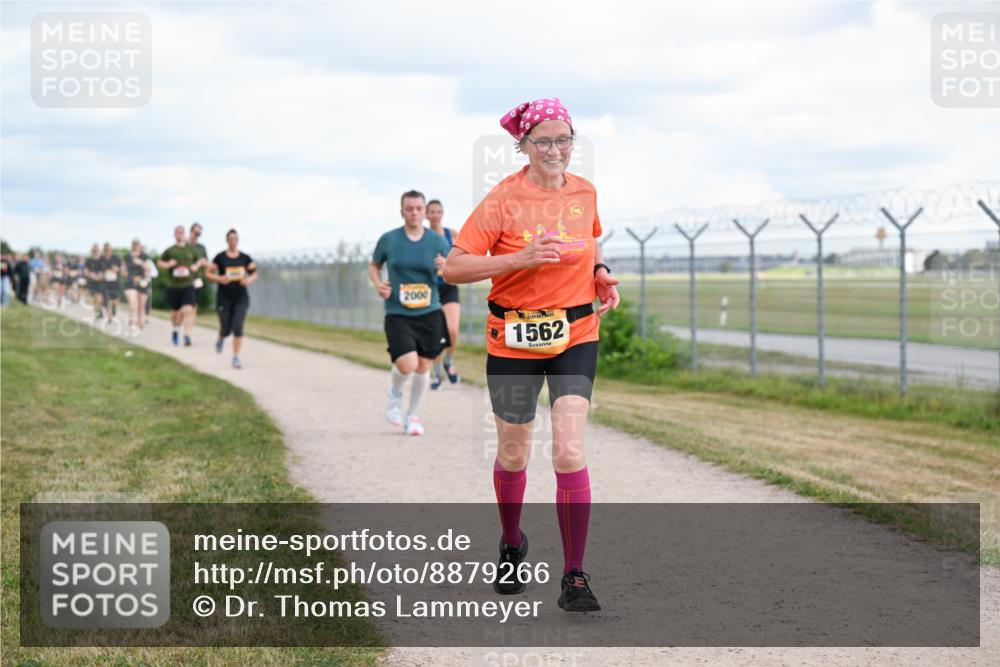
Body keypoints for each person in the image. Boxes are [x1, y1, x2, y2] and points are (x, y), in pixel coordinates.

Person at [441, 97, 620, 613]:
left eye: (564, 138)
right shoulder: (503, 199)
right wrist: (517, 258)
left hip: (576, 332)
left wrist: (601, 274)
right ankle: (513, 542)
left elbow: (591, 244)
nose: (555, 149)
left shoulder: (585, 191)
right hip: (513, 338)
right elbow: (453, 269)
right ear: (523, 145)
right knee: (515, 452)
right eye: (543, 140)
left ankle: (574, 575)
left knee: (567, 450)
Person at [369, 190, 451, 436]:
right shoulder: (389, 239)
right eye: (409, 208)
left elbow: (449, 273)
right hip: (398, 312)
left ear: (425, 211)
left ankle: (412, 416)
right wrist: (378, 284)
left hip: (430, 311)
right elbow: (375, 265)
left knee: (423, 366)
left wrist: (445, 268)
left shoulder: (437, 242)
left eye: (418, 208)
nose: (414, 212)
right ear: (402, 211)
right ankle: (394, 393)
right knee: (407, 365)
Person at [206, 228, 257, 369]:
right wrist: (219, 278)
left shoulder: (245, 258)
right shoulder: (220, 257)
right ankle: (221, 338)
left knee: (238, 326)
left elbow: (254, 273)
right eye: (231, 239)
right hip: (224, 298)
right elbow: (208, 273)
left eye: (235, 239)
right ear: (227, 240)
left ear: (238, 240)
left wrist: (249, 280)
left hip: (241, 297)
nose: (233, 241)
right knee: (226, 328)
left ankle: (236, 357)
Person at [427, 199, 462, 389]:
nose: (435, 215)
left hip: (449, 286)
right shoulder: (422, 237)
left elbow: (460, 259)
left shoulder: (452, 234)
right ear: (426, 215)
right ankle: (437, 373)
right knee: (436, 333)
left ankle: (449, 360)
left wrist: (447, 265)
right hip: (431, 289)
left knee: (452, 330)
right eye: (431, 212)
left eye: (438, 211)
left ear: (442, 213)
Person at [157, 225, 200, 346]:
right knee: (175, 313)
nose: (179, 234)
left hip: (188, 284)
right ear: (174, 235)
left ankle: (186, 335)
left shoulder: (191, 249)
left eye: (181, 232)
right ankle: (175, 330)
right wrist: (168, 264)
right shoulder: (170, 250)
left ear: (184, 234)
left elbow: (201, 260)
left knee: (188, 309)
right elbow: (160, 263)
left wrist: (196, 266)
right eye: (177, 233)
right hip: (174, 285)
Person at [123, 239, 152, 331]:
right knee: (133, 302)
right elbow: (123, 271)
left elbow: (149, 268)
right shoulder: (127, 257)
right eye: (134, 244)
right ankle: (133, 322)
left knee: (141, 305)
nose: (135, 246)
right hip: (130, 282)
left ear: (140, 245)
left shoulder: (145, 256)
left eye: (137, 244)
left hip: (142, 282)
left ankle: (140, 322)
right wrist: (127, 273)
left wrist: (141, 263)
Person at [188, 222, 209, 327]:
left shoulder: (201, 248)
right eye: (195, 232)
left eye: (199, 234)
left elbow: (207, 264)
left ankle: (189, 331)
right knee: (183, 307)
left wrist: (200, 263)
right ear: (191, 231)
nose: (196, 235)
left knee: (193, 305)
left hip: (197, 279)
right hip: (182, 280)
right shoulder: (183, 245)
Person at [98, 243, 121, 321]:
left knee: (115, 300)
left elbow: (120, 269)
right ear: (104, 250)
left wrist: (116, 269)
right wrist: (100, 274)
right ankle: (109, 317)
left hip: (115, 282)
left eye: (109, 250)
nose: (108, 251)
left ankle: (114, 308)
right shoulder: (101, 259)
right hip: (105, 283)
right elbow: (99, 270)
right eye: (106, 250)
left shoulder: (116, 258)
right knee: (106, 299)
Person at [84, 244, 103, 318]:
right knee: (95, 298)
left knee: (100, 298)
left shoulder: (102, 259)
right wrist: (91, 275)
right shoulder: (89, 260)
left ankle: (99, 310)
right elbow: (86, 271)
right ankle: (97, 313)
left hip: (101, 282)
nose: (95, 251)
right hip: (92, 282)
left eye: (97, 249)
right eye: (94, 250)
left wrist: (99, 276)